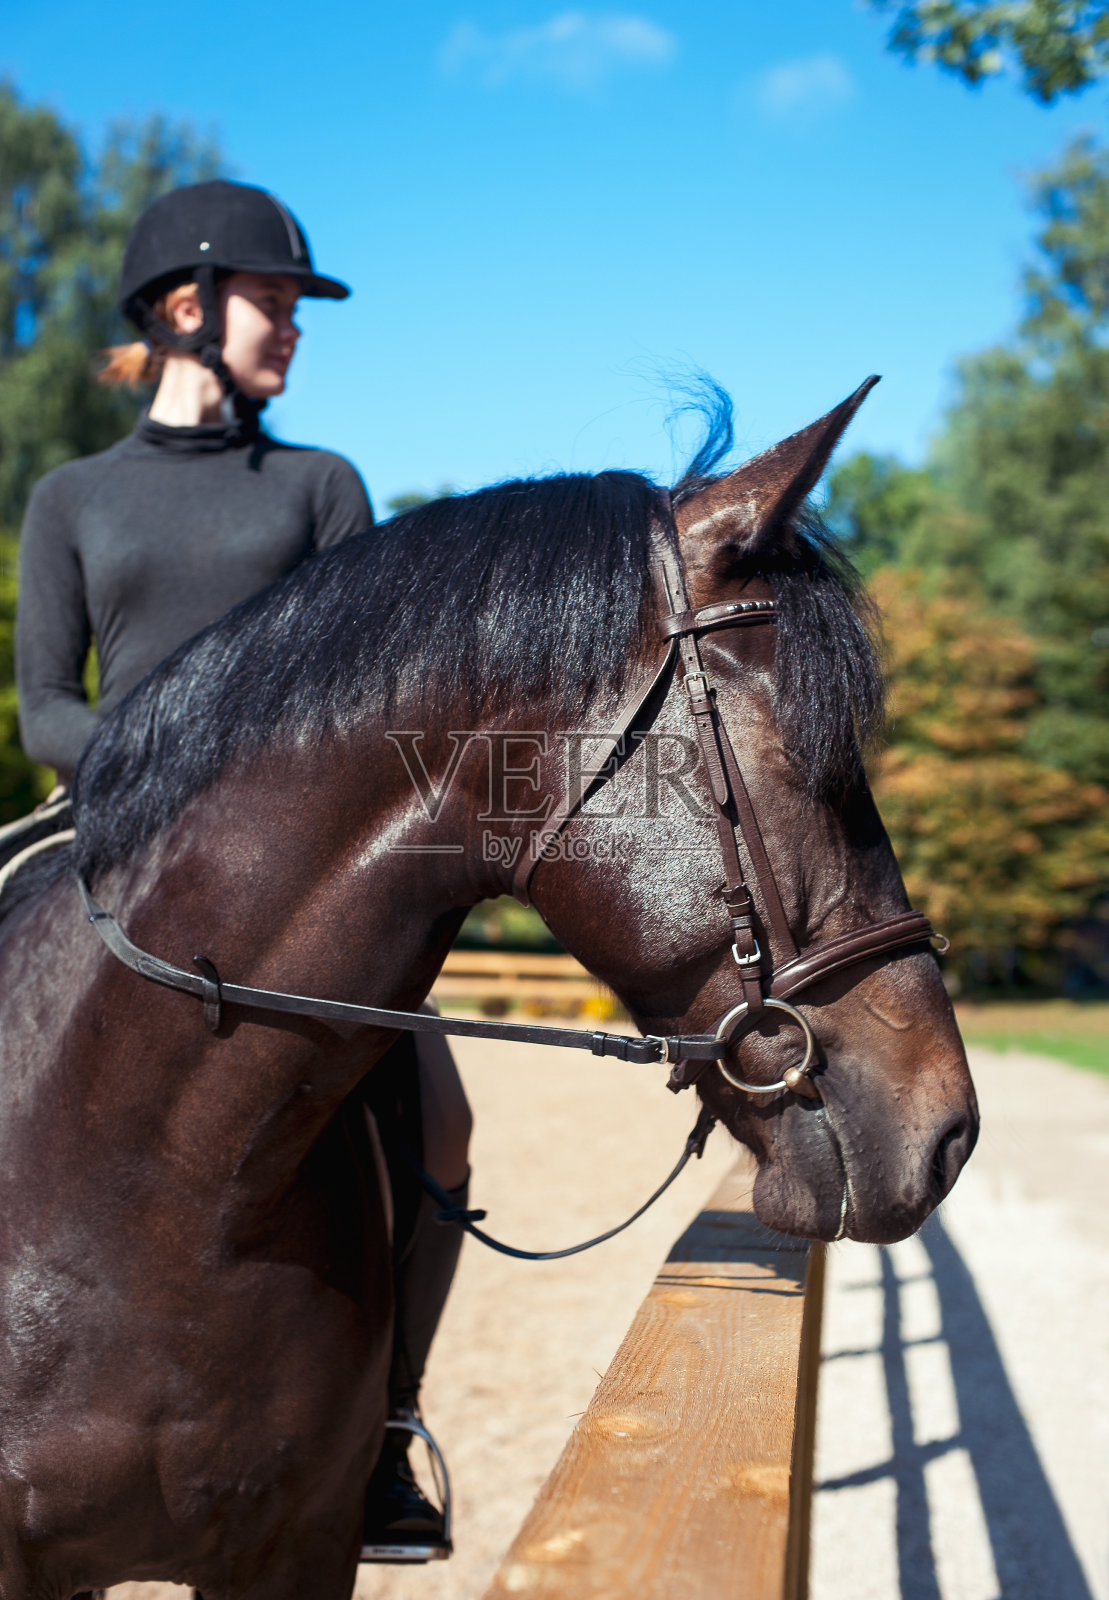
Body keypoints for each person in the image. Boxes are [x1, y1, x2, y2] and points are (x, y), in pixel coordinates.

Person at [14, 178, 470, 1562]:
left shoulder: (321, 488)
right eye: (275, 300)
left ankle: (385, 1434)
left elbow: (357, 698)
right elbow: (44, 708)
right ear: (184, 307)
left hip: (285, 873)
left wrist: (242, 808)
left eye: (291, 307)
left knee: (439, 1122)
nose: (292, 328)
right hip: (95, 829)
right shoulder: (71, 497)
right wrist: (156, 784)